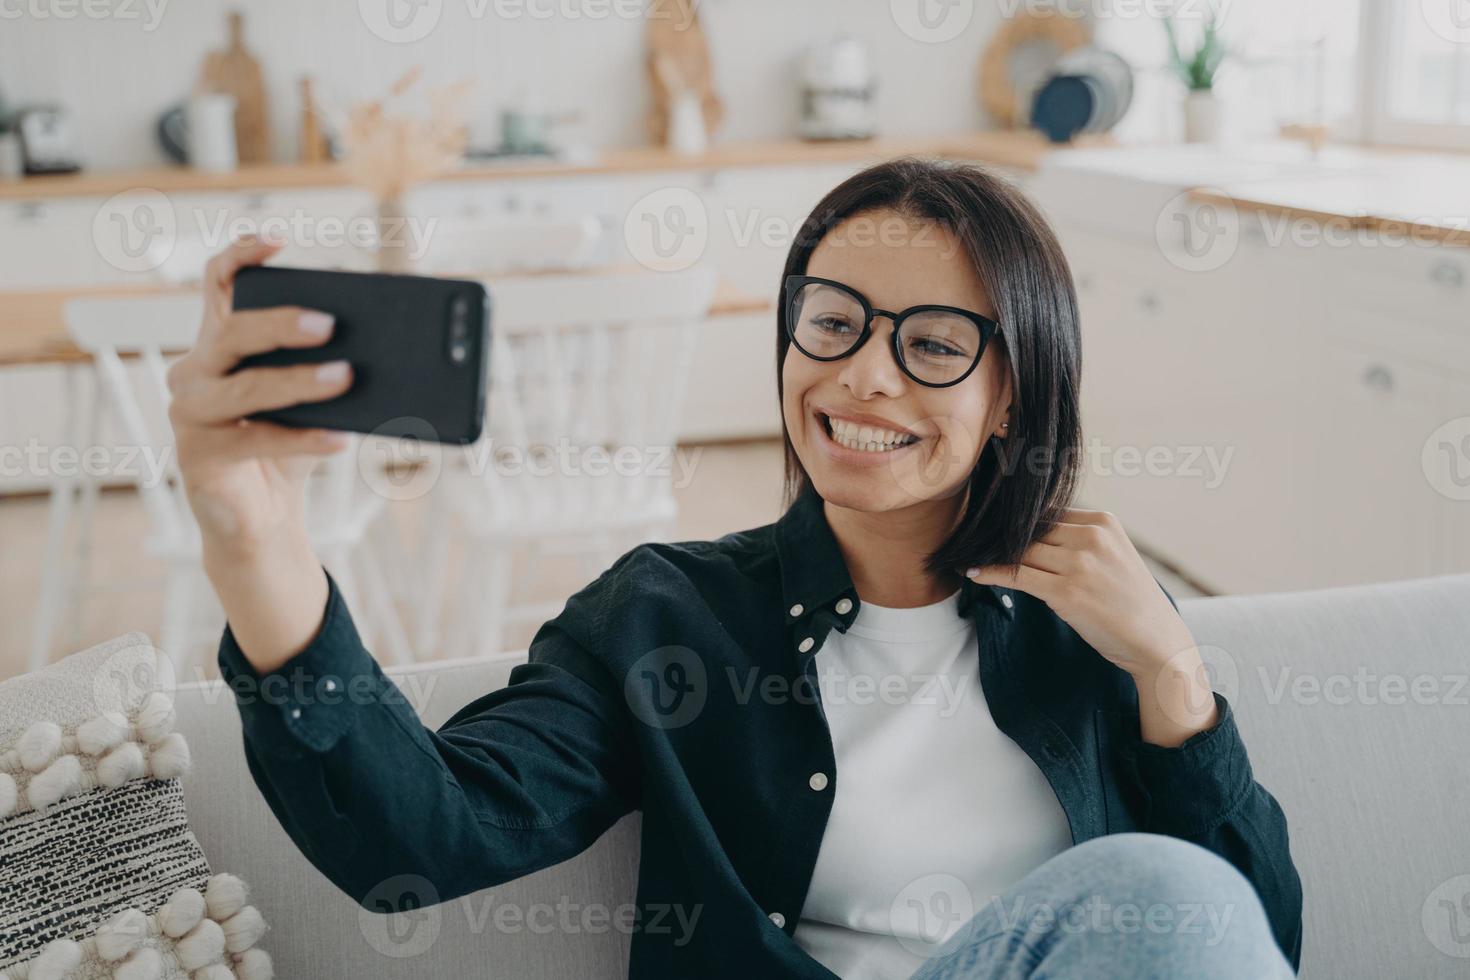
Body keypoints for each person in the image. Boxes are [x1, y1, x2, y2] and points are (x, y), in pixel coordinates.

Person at [166, 157, 1302, 978]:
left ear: (1012, 393)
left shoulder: (1092, 622)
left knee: (1171, 891)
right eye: (834, 321)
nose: (862, 375)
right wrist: (254, 534)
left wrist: (1169, 669)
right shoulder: (669, 615)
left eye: (935, 344)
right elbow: (422, 834)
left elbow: (1253, 939)